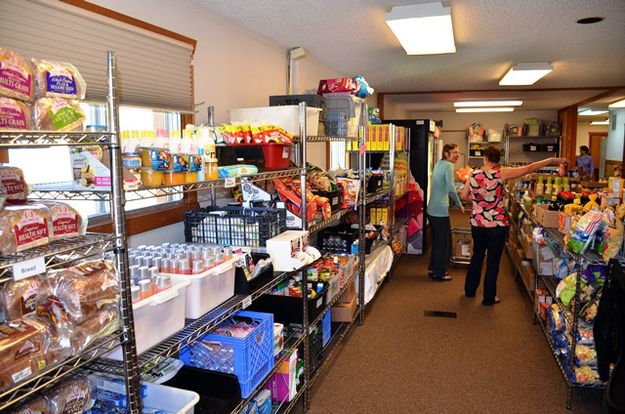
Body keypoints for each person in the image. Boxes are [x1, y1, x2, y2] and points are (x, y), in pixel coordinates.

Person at [460, 146, 567, 305]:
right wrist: (552, 160)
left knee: (477, 256)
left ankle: (469, 291)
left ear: (485, 158)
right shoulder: (500, 173)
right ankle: (488, 298)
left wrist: (479, 204)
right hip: (497, 224)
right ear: (498, 160)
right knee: (493, 262)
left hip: (478, 223)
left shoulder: (473, 174)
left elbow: (463, 196)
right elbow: (529, 168)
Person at [428, 143, 464, 281]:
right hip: (440, 211)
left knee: (437, 241)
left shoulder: (439, 163)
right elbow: (450, 188)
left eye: (458, 152)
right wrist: (459, 203)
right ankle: (439, 273)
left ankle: (433, 268)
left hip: (432, 209)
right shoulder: (449, 166)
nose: (458, 154)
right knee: (444, 244)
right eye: (454, 152)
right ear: (446, 154)